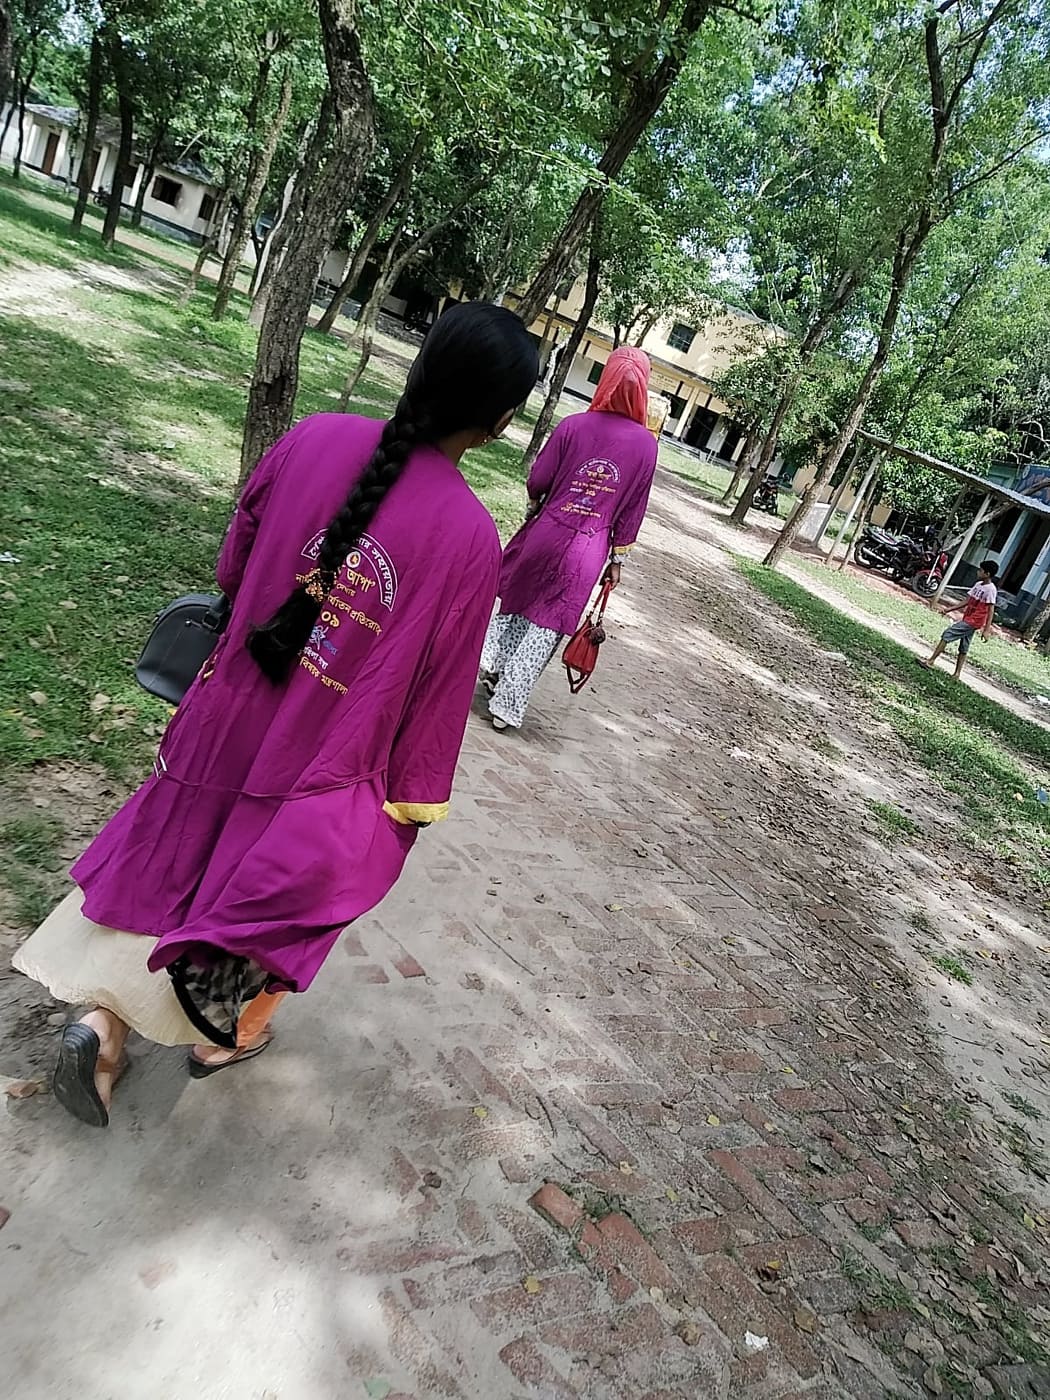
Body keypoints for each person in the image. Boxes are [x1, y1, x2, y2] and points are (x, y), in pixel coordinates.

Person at [14, 302, 539, 1127]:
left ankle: (101, 1027)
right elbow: (439, 694)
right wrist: (410, 802)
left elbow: (235, 564)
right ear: (501, 422)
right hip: (316, 760)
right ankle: (223, 1036)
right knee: (271, 900)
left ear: (422, 366)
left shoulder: (313, 438)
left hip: (224, 715)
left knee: (165, 860)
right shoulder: (471, 540)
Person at [480, 346, 658, 731]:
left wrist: (534, 506)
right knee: (548, 625)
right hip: (589, 549)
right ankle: (506, 708)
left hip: (547, 531)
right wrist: (617, 562)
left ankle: (491, 665)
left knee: (518, 603)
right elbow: (633, 511)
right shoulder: (647, 447)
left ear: (605, 380)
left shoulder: (573, 426)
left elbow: (540, 478)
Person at [919, 560, 999, 679]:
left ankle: (930, 661)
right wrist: (949, 609)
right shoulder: (978, 585)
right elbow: (967, 601)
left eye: (981, 570)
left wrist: (986, 630)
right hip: (968, 618)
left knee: (947, 634)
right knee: (964, 647)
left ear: (987, 574)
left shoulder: (991, 590)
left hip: (974, 621)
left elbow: (991, 610)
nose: (978, 572)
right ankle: (957, 674)